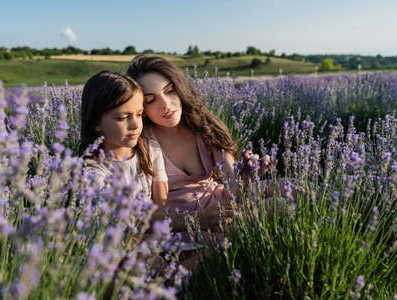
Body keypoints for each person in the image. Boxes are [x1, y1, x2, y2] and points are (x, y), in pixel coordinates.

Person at [126, 55, 272, 234]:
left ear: (180, 88)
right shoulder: (140, 142)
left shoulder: (202, 125)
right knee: (276, 207)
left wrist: (246, 178)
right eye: (151, 100)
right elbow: (133, 217)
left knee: (294, 188)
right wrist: (195, 220)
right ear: (141, 108)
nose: (165, 104)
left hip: (221, 203)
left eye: (170, 90)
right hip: (182, 224)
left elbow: (234, 188)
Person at [80, 70, 168, 207]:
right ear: (96, 123)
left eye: (139, 114)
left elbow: (161, 206)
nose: (135, 125)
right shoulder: (93, 171)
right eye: (123, 118)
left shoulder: (152, 151)